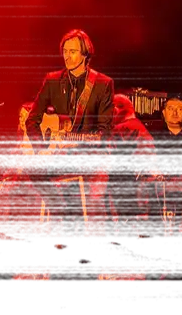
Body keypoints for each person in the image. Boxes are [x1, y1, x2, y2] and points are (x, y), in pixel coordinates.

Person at [22, 28, 116, 238]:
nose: (67, 56)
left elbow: (105, 130)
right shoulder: (52, 80)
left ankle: (95, 248)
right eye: (65, 51)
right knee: (33, 167)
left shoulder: (103, 84)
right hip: (61, 154)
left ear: (85, 54)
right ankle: (61, 213)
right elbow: (32, 120)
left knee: (94, 200)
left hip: (93, 156)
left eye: (72, 51)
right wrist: (41, 149)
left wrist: (81, 141)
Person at [105, 93, 160, 238]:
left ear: (116, 110)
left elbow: (104, 151)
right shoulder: (137, 126)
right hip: (136, 190)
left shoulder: (123, 129)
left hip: (125, 190)